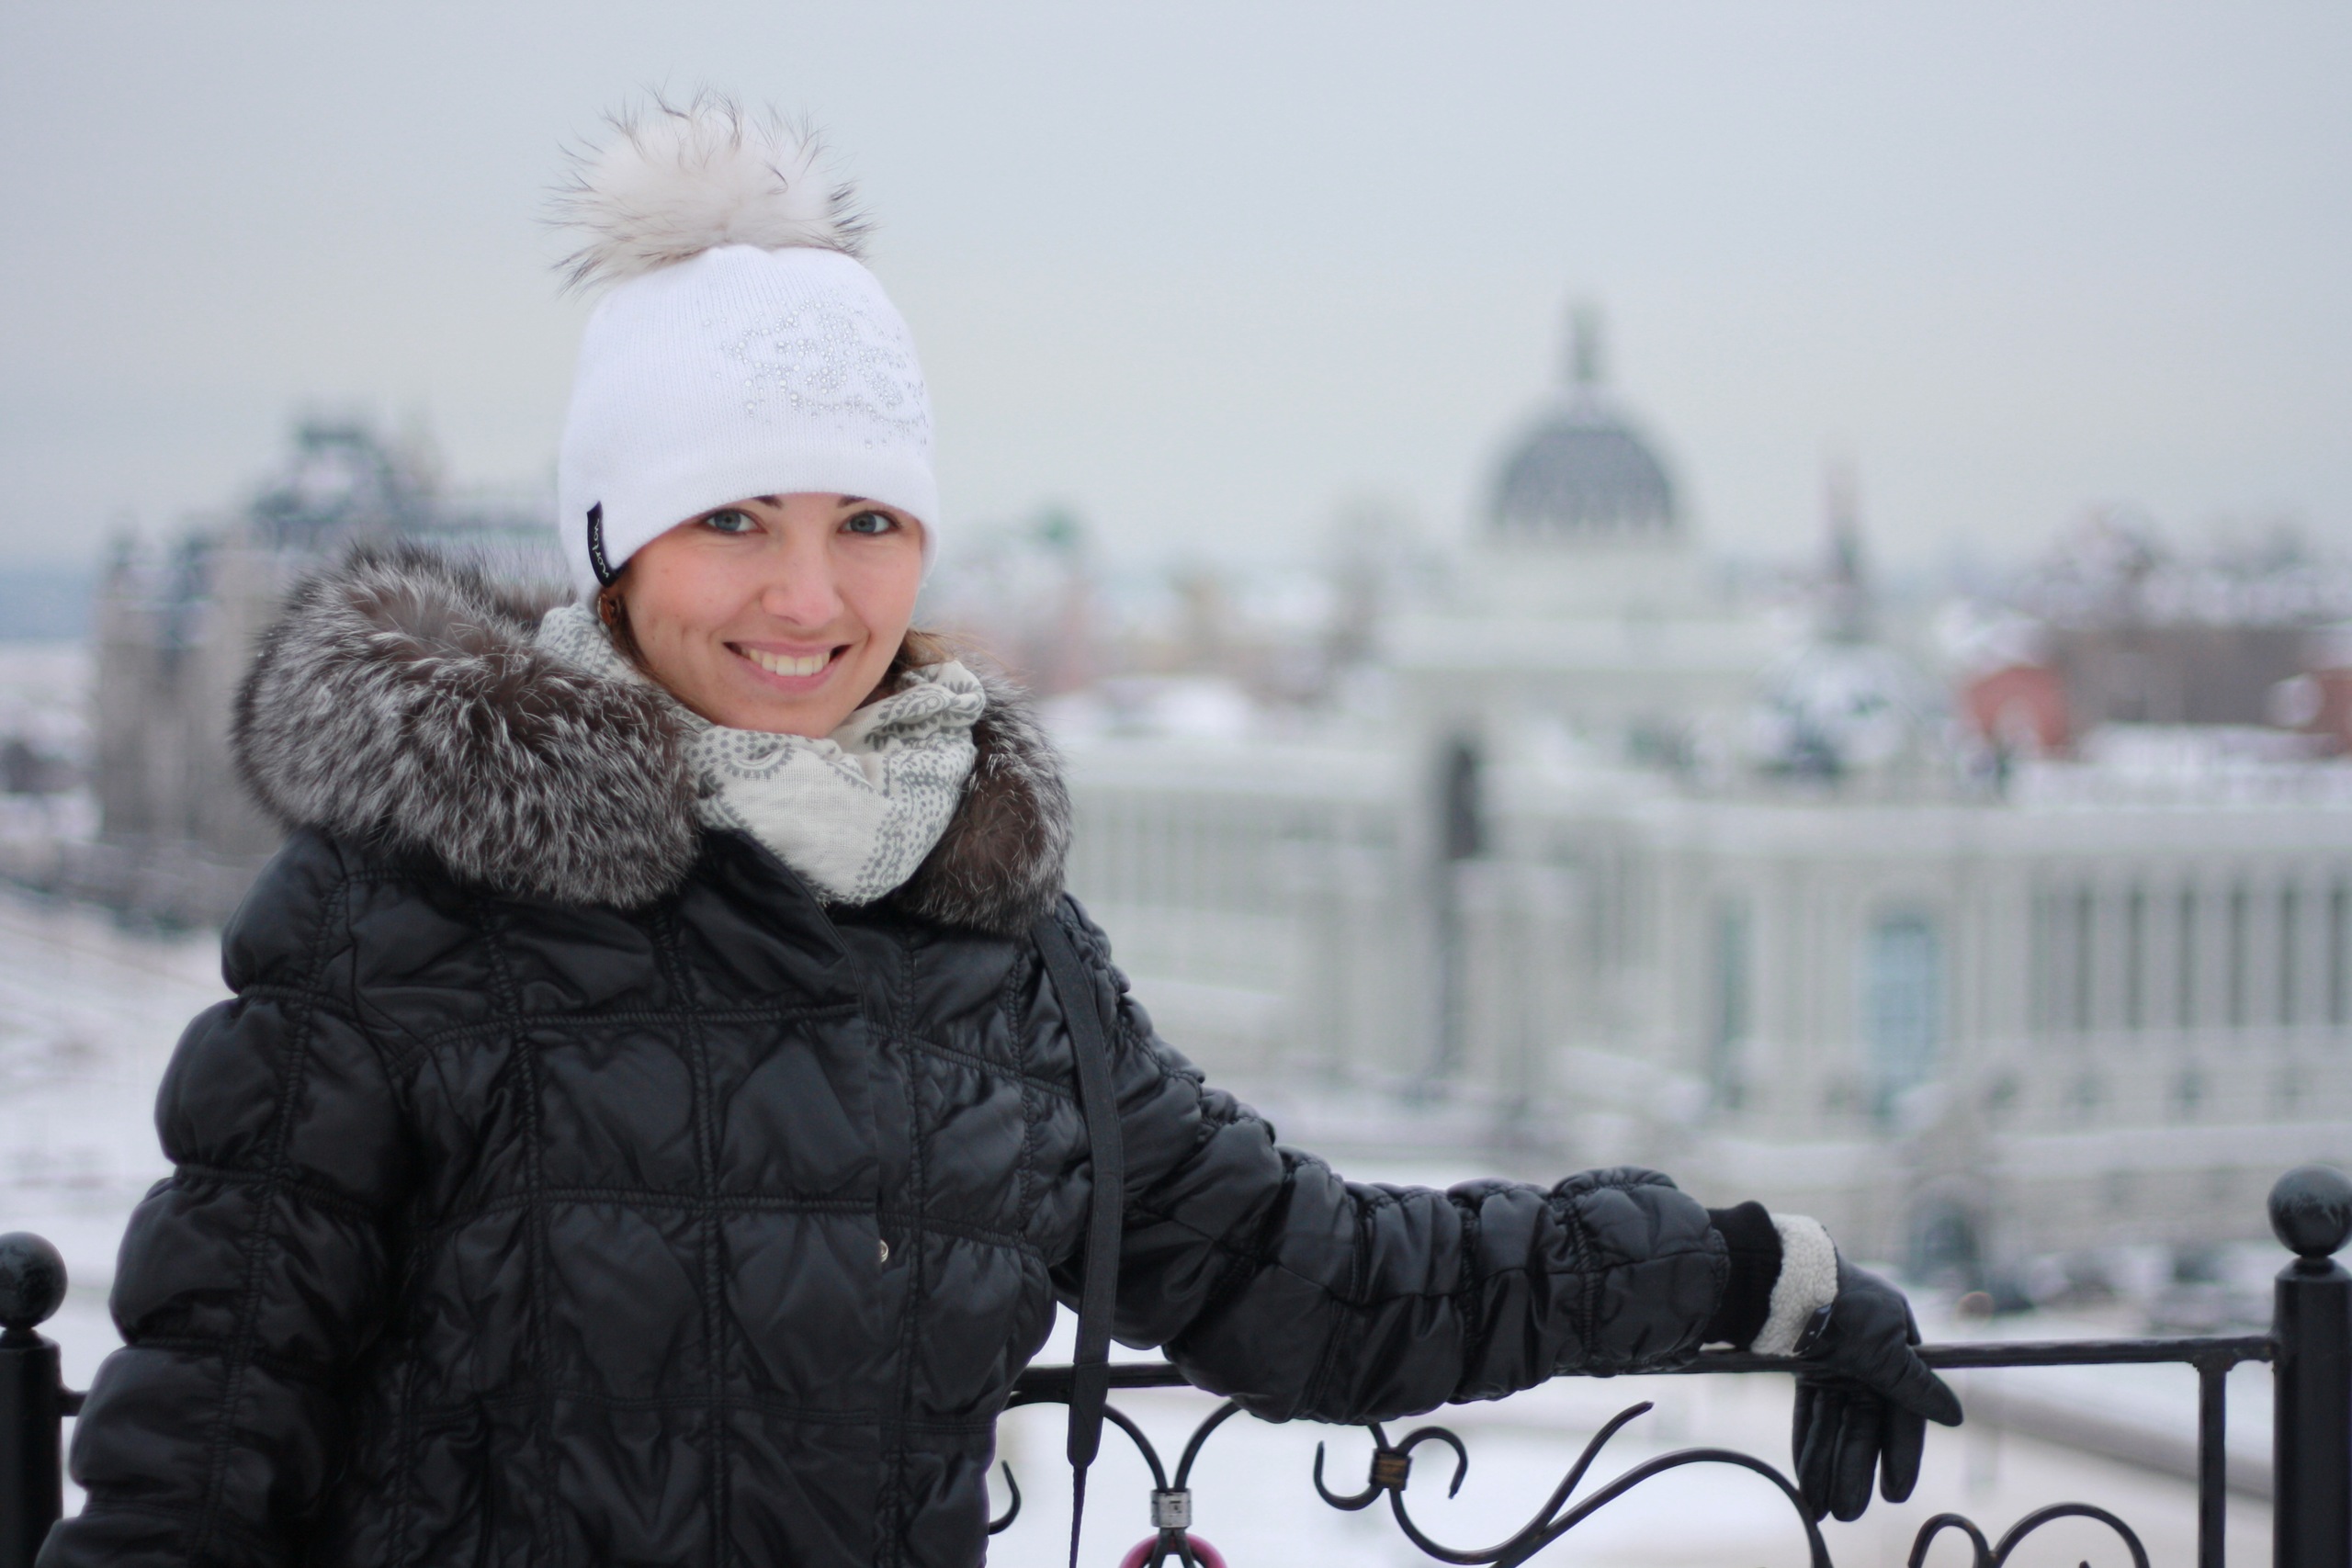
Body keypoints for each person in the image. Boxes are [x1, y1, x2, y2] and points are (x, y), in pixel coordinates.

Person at [39, 97, 1957, 1568]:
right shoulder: (402, 912)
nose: (807, 597)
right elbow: (198, 1458)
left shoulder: (995, 956)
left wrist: (1740, 1273)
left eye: (865, 522)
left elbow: (1321, 1277)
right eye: (734, 517)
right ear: (614, 545)